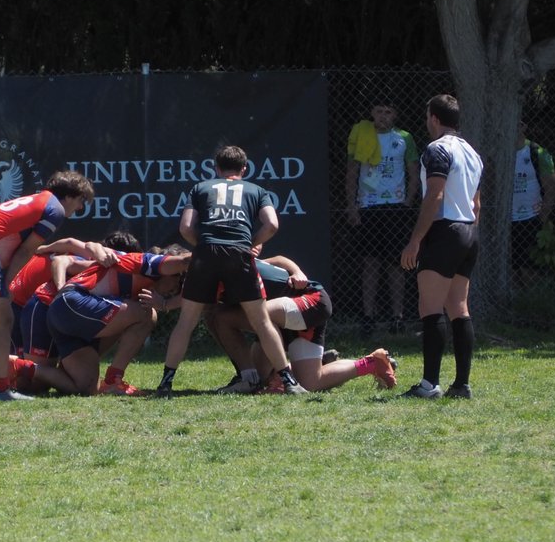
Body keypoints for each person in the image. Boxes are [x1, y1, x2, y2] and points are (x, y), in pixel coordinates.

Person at [156, 145, 305, 397]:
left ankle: (166, 383)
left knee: (186, 322)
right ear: (244, 169)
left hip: (205, 254)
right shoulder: (257, 190)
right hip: (239, 254)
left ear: (216, 168)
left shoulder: (200, 188)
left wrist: (203, 246)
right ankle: (288, 381)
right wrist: (249, 244)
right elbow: (272, 224)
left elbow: (185, 228)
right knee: (261, 321)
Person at [0, 170, 94, 401]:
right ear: (72, 195)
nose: (80, 208)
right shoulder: (55, 210)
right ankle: (1, 390)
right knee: (4, 320)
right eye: (82, 201)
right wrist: (7, 283)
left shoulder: (39, 199)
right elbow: (25, 250)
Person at [0, 235, 120, 395]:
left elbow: (71, 242)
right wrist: (62, 288)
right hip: (21, 303)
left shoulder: (89, 252)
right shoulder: (98, 265)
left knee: (37, 378)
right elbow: (64, 257)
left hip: (29, 300)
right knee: (30, 384)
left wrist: (46, 247)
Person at [207, 255, 397, 393]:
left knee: (239, 316)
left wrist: (297, 272)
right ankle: (372, 363)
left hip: (309, 300)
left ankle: (278, 375)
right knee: (310, 382)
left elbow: (279, 259)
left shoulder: (234, 260)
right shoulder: (204, 277)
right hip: (283, 317)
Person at [399, 94, 483, 400]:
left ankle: (429, 384)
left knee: (430, 307)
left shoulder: (437, 149)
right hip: (468, 230)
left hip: (445, 229)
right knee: (458, 307)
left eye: (426, 117)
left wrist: (415, 241)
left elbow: (434, 196)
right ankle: (461, 384)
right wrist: (470, 234)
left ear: (434, 118)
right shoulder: (471, 152)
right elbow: (476, 202)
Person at [44, 248, 191, 396]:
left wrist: (166, 304)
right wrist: (209, 250)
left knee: (87, 387)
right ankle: (113, 380)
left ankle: (25, 366)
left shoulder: (134, 276)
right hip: (71, 303)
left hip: (63, 315)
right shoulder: (149, 263)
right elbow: (185, 261)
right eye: (180, 279)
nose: (177, 288)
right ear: (169, 270)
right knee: (147, 314)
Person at [345, 100, 420, 335]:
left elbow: (414, 173)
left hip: (395, 206)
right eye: (379, 111)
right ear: (372, 113)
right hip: (368, 206)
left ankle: (397, 317)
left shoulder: (405, 137)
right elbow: (352, 171)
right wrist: (352, 206)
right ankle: (368, 316)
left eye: (388, 112)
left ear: (395, 114)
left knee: (396, 264)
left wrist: (407, 201)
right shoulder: (362, 133)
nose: (383, 116)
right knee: (370, 263)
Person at [511, 120, 555, 288]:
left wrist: (542, 218)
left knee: (529, 273)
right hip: (506, 222)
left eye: (518, 124)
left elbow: (551, 188)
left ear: (524, 126)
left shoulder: (538, 152)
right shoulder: (499, 150)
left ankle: (533, 307)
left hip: (531, 219)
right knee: (512, 273)